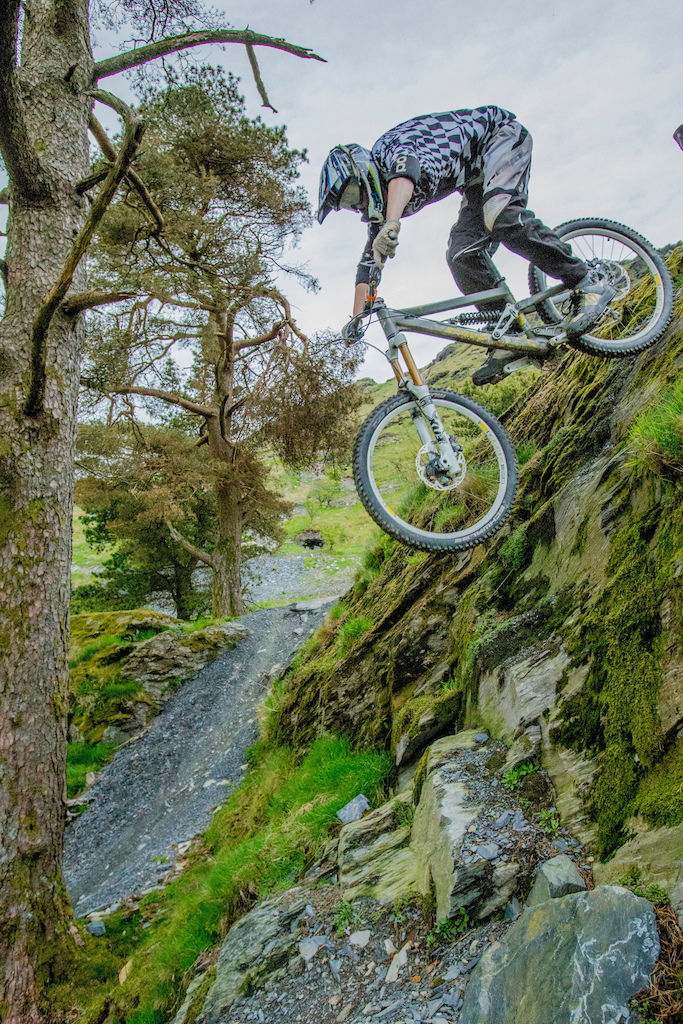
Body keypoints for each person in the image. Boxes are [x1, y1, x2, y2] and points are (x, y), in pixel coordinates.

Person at [317, 106, 616, 385]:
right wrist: (355, 321)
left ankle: (586, 280)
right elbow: (369, 264)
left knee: (500, 216)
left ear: (363, 169)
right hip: (475, 178)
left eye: (351, 194)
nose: (355, 205)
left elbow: (405, 171)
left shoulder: (394, 149)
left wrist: (392, 223)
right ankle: (508, 336)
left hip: (499, 137)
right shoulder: (384, 203)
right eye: (346, 204)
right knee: (461, 255)